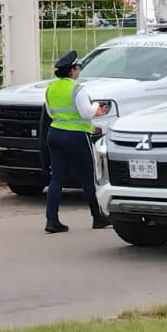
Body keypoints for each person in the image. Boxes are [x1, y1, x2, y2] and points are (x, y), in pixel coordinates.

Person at [42, 50, 109, 234]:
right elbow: (86, 112)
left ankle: (52, 219)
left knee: (56, 178)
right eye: (77, 67)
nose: (78, 70)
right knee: (88, 177)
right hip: (76, 137)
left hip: (55, 133)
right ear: (71, 71)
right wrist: (97, 107)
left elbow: (50, 112)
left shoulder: (51, 88)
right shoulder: (77, 88)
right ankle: (98, 217)